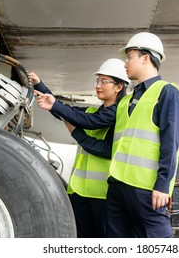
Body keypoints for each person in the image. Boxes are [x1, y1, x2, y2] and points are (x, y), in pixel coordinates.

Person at [32, 58, 130, 238]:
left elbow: (105, 148)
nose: (98, 85)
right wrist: (41, 86)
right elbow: (66, 112)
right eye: (97, 81)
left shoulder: (119, 115)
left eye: (104, 81)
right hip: (79, 192)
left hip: (103, 195)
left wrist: (76, 132)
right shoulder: (93, 112)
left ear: (119, 87)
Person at [106, 32, 179, 237]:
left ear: (145, 58)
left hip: (147, 190)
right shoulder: (130, 99)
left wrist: (162, 185)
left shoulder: (167, 92)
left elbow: (171, 142)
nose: (125, 63)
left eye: (129, 57)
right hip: (118, 185)